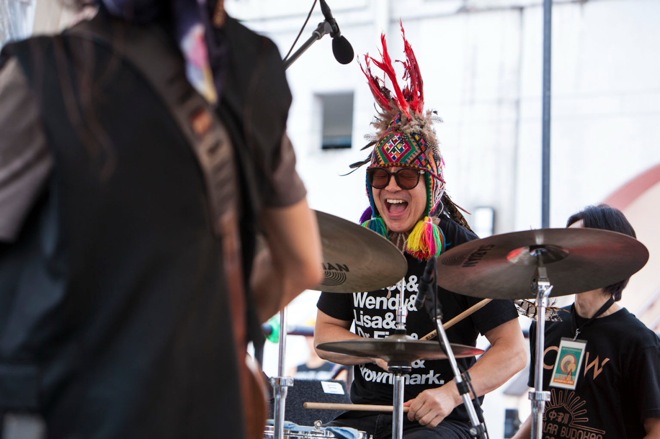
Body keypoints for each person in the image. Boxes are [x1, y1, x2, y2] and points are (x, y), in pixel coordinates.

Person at [0, 1, 323, 438]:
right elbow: (302, 263)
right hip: (204, 414)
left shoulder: (48, 73)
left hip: (74, 413)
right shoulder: (251, 72)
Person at [314, 26, 527, 438]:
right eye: (381, 176)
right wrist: (373, 353)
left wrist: (450, 394)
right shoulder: (360, 245)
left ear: (431, 187)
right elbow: (324, 335)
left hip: (442, 421)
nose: (391, 187)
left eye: (407, 176)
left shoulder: (463, 250)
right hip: (364, 415)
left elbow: (514, 351)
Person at [512, 204, 660, 439]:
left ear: (609, 256)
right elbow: (541, 412)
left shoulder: (639, 341)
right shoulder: (547, 324)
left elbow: (656, 429)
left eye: (576, 244)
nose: (564, 254)